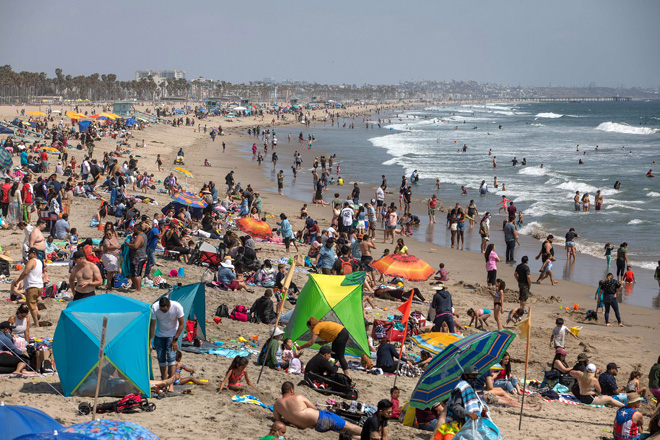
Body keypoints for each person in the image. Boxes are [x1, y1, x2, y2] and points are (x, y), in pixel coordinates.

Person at [274, 381, 361, 435]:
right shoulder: (298, 397)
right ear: (292, 390)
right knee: (347, 426)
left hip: (316, 427)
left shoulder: (277, 404)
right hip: (321, 418)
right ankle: (369, 433)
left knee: (343, 432)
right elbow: (313, 408)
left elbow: (278, 420)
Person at [149, 296, 185, 381]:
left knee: (171, 357)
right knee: (161, 357)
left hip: (172, 335)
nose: (163, 312)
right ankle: (164, 380)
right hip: (159, 335)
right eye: (161, 310)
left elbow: (182, 324)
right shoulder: (155, 307)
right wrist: (150, 342)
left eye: (165, 310)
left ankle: (171, 382)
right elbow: (152, 326)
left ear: (169, 305)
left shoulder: (177, 307)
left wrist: (175, 340)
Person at [13, 247, 43, 327]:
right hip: (39, 286)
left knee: (31, 305)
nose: (28, 255)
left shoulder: (31, 261)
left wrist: (17, 281)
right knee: (34, 302)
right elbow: (33, 270)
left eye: (29, 253)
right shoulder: (39, 262)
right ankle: (38, 314)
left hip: (32, 286)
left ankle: (36, 323)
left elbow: (24, 273)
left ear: (34, 254)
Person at [126, 223, 147, 293]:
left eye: (134, 229)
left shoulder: (140, 236)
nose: (133, 231)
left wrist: (128, 244)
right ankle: (135, 286)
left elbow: (135, 246)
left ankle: (138, 289)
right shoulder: (143, 235)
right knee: (135, 273)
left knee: (136, 274)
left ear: (137, 229)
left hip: (138, 257)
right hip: (141, 256)